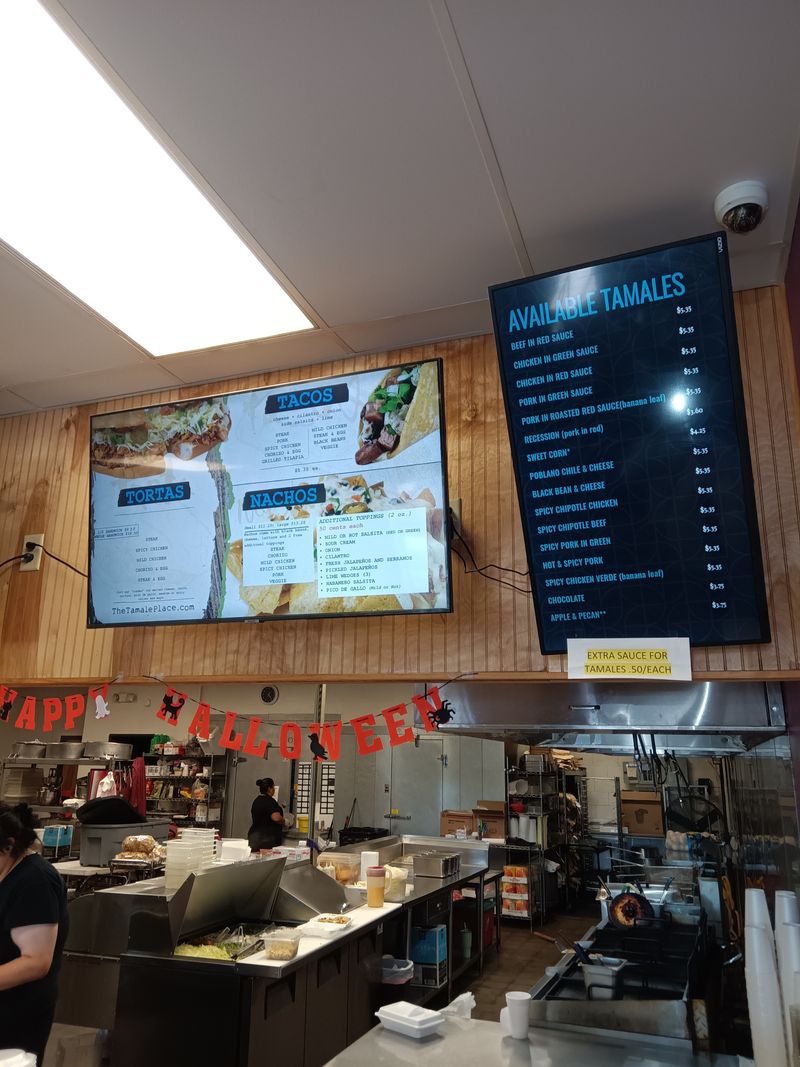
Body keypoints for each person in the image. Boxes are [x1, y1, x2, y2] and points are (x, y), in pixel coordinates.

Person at [0, 803, 69, 1064]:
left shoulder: (35, 881)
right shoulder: (6, 872)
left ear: (9, 845)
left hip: (15, 1017)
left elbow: (36, 962)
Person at [247, 778, 285, 852]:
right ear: (269, 789)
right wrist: (285, 821)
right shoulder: (269, 801)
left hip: (254, 838)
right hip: (266, 840)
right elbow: (276, 818)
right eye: (273, 787)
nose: (274, 789)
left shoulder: (257, 800)